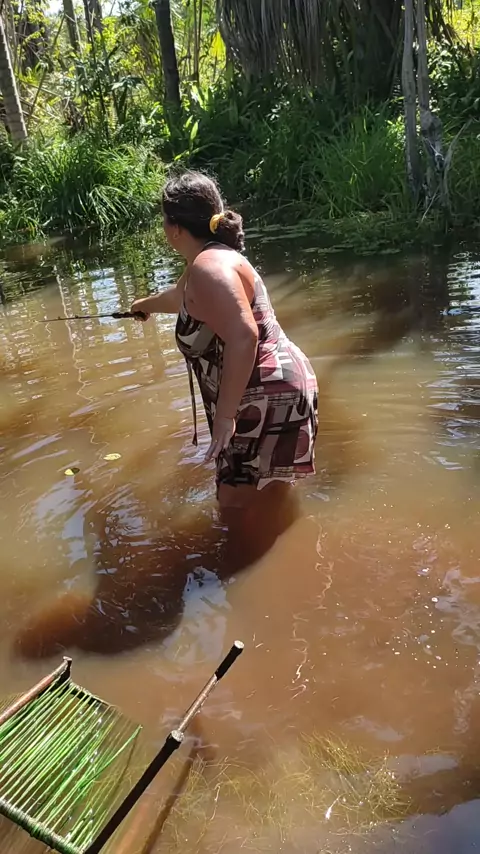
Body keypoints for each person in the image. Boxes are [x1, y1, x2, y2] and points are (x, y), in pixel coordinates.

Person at [131, 171, 318, 568]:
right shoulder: (211, 260)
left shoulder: (208, 268)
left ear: (174, 228)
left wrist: (225, 417)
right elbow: (180, 297)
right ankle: (293, 567)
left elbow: (244, 336)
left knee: (232, 506)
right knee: (273, 495)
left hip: (258, 394)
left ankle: (243, 582)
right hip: (286, 386)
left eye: (164, 219)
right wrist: (144, 305)